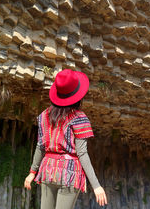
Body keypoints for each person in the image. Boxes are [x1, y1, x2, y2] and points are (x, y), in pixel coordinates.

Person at [24, 69, 107, 208]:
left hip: (47, 169)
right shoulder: (79, 118)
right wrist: (96, 186)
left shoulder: (44, 115)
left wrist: (32, 172)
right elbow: (82, 153)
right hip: (70, 173)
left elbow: (40, 146)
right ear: (77, 95)